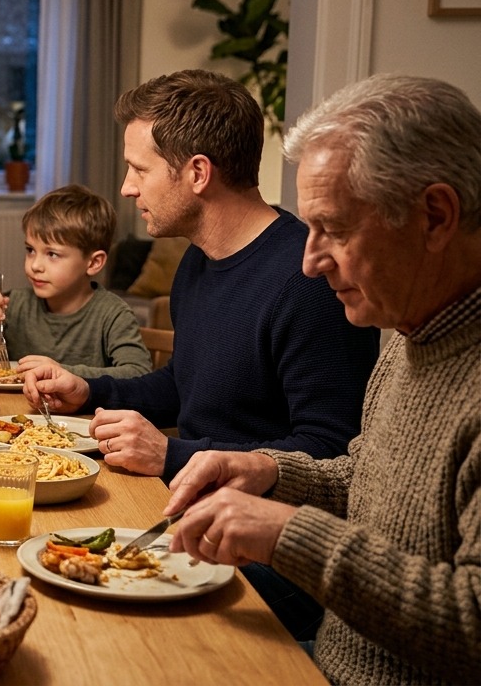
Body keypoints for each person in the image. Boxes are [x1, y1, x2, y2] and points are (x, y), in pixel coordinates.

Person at [164, 74, 481, 683]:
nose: (309, 260)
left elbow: (470, 619)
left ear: (435, 216)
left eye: (333, 228)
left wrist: (292, 536)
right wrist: (271, 470)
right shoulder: (413, 333)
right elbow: (372, 481)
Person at [21, 70, 378, 480]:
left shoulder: (309, 281)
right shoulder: (197, 259)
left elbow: (332, 452)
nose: (126, 188)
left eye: (139, 170)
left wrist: (172, 454)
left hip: (256, 524)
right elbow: (185, 386)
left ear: (198, 173)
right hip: (187, 498)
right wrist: (89, 390)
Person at [0, 184, 150, 378]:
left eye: (52, 254)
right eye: (30, 250)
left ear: (93, 263)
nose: (35, 265)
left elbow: (138, 373)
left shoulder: (113, 315)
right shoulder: (14, 305)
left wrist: (60, 372)